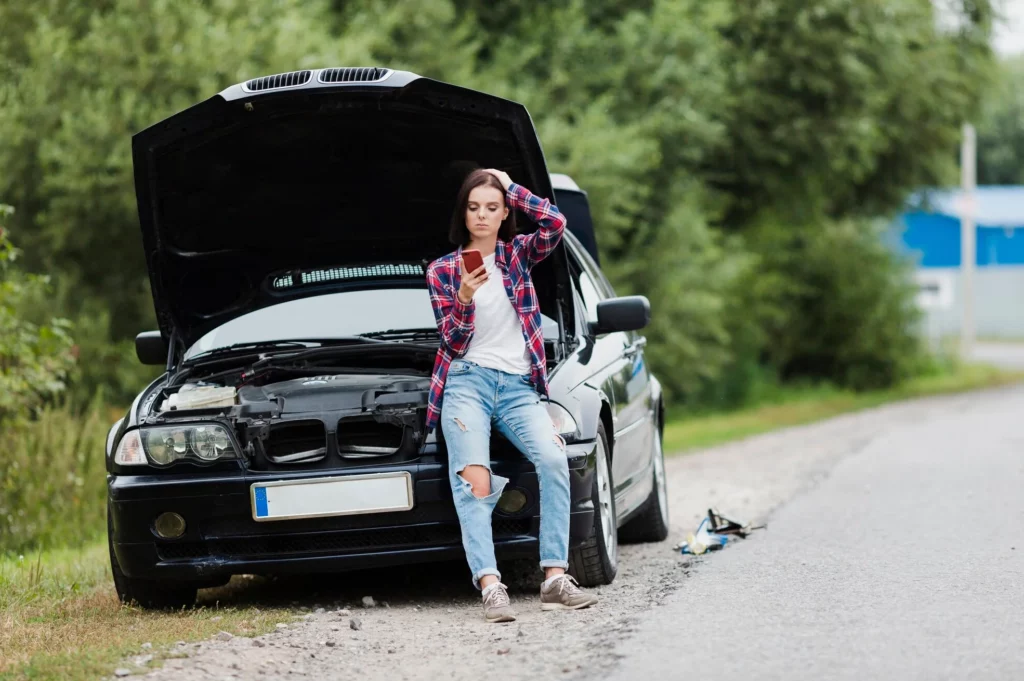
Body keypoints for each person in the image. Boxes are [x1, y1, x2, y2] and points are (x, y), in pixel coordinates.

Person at [425, 168, 599, 623]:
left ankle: (555, 579)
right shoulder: (442, 270)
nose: (482, 215)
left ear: (504, 215)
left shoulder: (518, 254)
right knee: (474, 482)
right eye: (474, 207)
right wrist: (463, 297)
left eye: (492, 207)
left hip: (519, 388)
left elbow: (556, 224)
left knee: (554, 459)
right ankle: (490, 585)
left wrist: (512, 186)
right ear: (463, 213)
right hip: (467, 383)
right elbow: (453, 341)